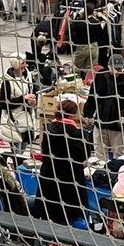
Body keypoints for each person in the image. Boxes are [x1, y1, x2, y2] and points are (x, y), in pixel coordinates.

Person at [36, 93, 89, 227]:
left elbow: (44, 151)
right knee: (67, 219)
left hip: (49, 178)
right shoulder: (79, 134)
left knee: (49, 215)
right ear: (73, 115)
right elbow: (84, 156)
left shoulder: (48, 130)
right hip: (70, 182)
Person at [84, 61, 124, 162]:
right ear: (109, 66)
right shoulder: (101, 76)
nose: (117, 72)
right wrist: (88, 113)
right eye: (115, 69)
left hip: (118, 127)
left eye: (120, 70)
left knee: (120, 156)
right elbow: (92, 95)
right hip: (101, 123)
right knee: (99, 155)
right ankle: (101, 175)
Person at [0, 58, 36, 154]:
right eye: (23, 63)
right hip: (13, 120)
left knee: (24, 147)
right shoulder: (7, 81)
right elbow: (4, 104)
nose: (26, 65)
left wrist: (32, 101)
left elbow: (33, 92)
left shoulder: (28, 77)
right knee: (17, 151)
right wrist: (23, 98)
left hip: (27, 118)